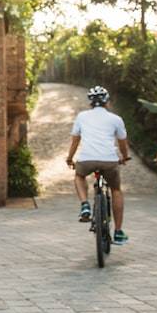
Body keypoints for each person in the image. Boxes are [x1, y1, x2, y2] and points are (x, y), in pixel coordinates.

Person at [65, 86, 131, 245]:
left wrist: (70, 158)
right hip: (109, 160)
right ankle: (118, 231)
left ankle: (85, 204)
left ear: (90, 103)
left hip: (87, 159)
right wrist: (125, 157)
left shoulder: (82, 117)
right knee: (116, 190)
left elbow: (75, 140)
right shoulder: (116, 119)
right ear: (107, 102)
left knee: (79, 177)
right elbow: (123, 143)